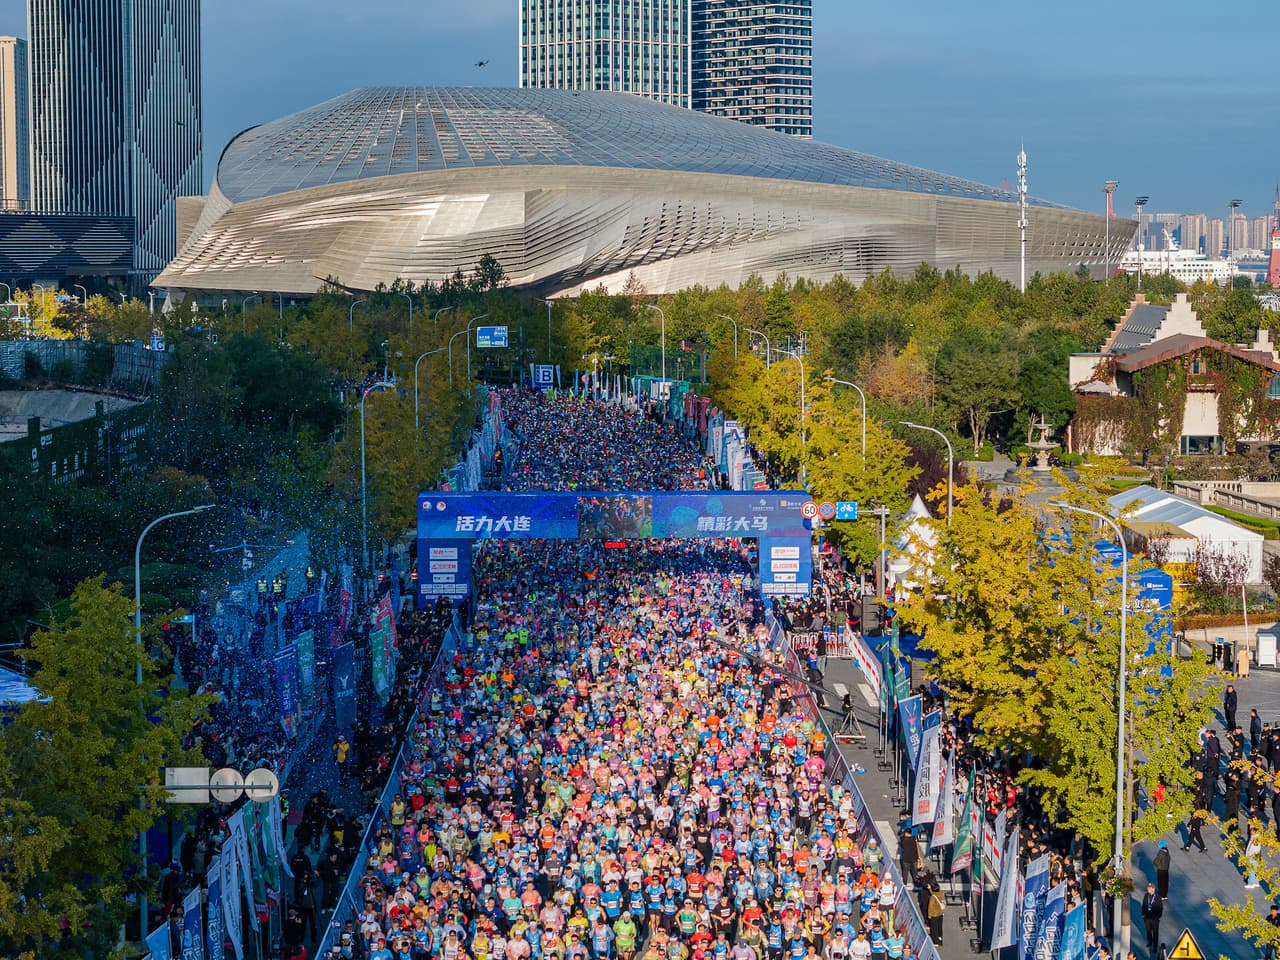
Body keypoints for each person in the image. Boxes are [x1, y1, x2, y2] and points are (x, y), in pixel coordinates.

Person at [1140, 882, 1162, 954]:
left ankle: (1155, 946)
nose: (1148, 889)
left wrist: (1158, 916)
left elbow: (1160, 908)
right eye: (1148, 888)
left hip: (1155, 919)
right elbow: (1143, 905)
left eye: (1149, 888)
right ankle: (1150, 942)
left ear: (1153, 889)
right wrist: (1143, 914)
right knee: (1148, 931)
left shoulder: (1158, 897)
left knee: (1155, 933)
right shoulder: (1146, 896)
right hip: (1147, 918)